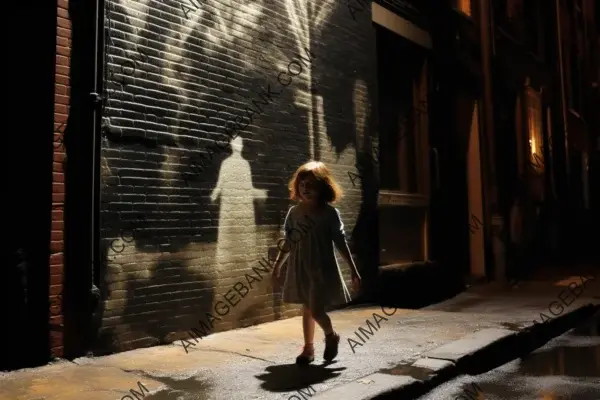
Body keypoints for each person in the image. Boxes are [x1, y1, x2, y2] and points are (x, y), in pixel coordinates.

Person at [271, 161, 362, 364]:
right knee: (307, 307)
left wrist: (353, 271)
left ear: (323, 187)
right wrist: (278, 265)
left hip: (321, 269)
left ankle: (331, 336)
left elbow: (341, 243)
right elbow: (288, 242)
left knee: (315, 309)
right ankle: (308, 349)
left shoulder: (330, 214)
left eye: (311, 184)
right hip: (300, 268)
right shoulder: (294, 213)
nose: (306, 189)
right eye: (302, 184)